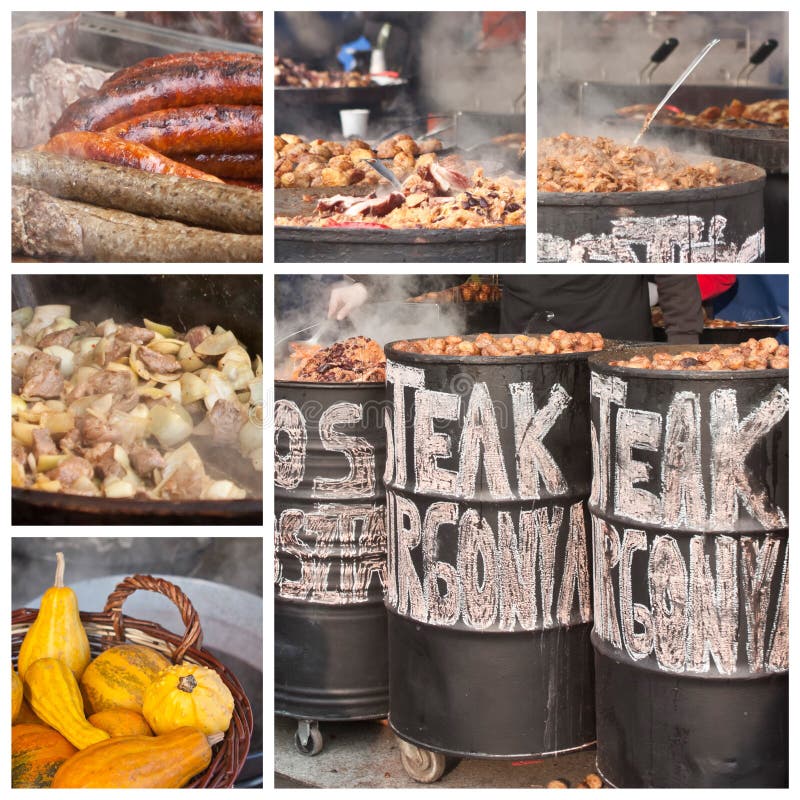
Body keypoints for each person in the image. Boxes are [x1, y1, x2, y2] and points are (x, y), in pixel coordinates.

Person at [330, 275, 703, 344]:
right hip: (524, 358)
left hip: (615, 351)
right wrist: (368, 288)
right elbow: (449, 266)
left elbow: (674, 273)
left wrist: (683, 345)